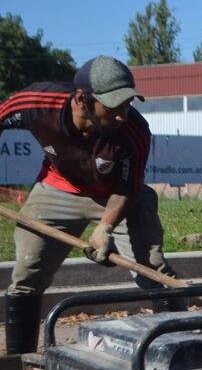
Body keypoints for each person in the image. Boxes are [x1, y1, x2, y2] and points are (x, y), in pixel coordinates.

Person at [0, 56, 178, 354]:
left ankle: (181, 348)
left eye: (127, 104)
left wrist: (105, 227)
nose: (123, 115)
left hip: (116, 196)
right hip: (57, 187)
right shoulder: (36, 103)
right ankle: (20, 363)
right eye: (114, 106)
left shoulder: (133, 131)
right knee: (27, 274)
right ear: (82, 99)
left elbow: (128, 188)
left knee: (152, 270)